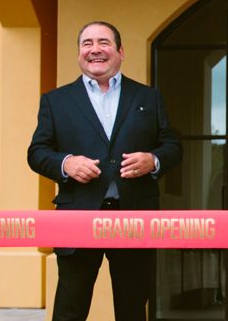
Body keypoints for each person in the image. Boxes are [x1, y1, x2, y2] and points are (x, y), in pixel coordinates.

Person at [27, 21, 182, 321]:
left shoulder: (148, 98)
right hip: (77, 217)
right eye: (87, 43)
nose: (95, 49)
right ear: (79, 53)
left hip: (134, 216)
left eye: (103, 42)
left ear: (120, 52)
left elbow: (173, 147)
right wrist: (65, 163)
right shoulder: (56, 101)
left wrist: (153, 160)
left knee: (132, 308)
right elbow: (37, 153)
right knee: (69, 309)